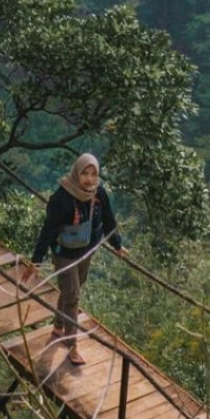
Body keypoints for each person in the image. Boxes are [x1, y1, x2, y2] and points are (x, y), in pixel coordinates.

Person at [22, 153, 128, 365]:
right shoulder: (61, 199)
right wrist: (35, 261)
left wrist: (117, 244)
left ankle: (58, 327)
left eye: (93, 174)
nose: (89, 179)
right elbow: (48, 231)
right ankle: (72, 346)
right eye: (84, 174)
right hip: (64, 253)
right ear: (76, 173)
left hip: (86, 250)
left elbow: (108, 220)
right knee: (73, 295)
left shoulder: (99, 195)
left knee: (74, 287)